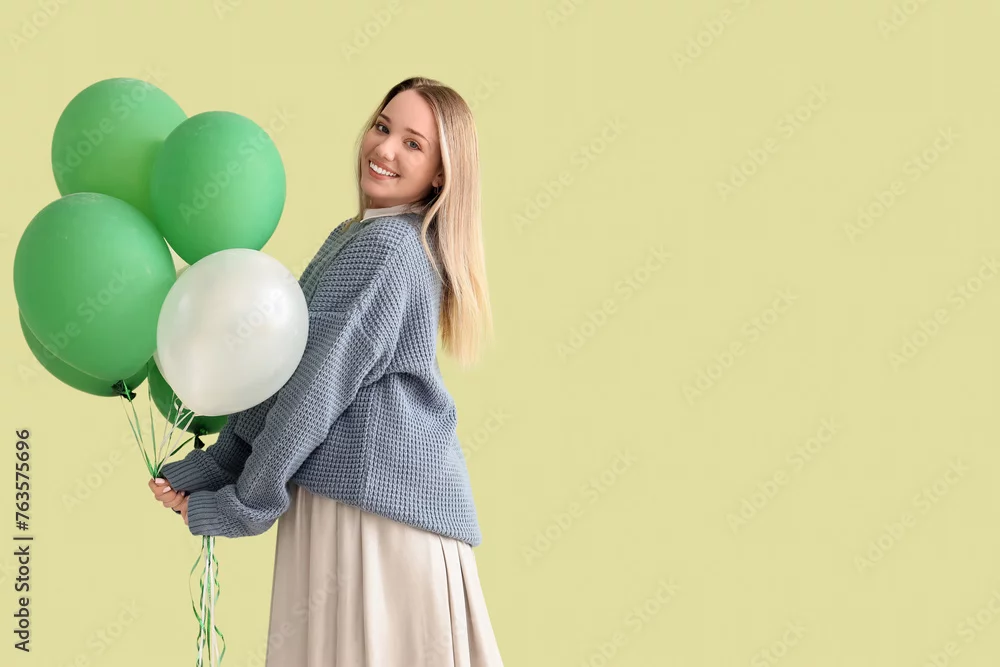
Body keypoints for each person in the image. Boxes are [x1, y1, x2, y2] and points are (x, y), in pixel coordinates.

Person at [148, 76, 503, 666]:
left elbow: (313, 392)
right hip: (355, 505)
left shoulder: (387, 249)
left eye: (413, 143)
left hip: (375, 516)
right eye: (383, 127)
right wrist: (217, 466)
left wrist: (242, 505)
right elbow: (287, 368)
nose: (384, 148)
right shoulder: (356, 235)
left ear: (441, 174)